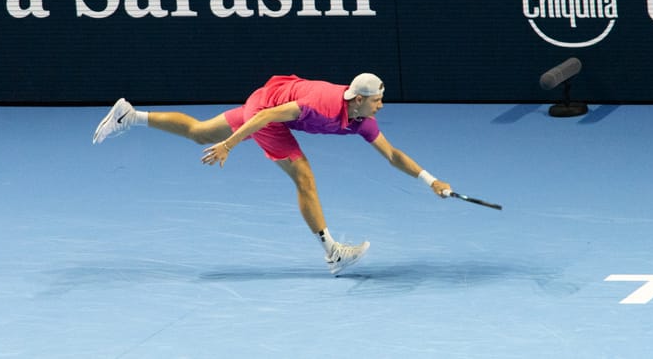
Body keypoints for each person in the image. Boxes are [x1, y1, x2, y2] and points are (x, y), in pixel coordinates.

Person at [92, 73, 452, 275]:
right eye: (377, 100)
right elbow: (264, 118)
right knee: (304, 177)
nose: (381, 106)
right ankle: (332, 252)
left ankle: (131, 115)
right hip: (266, 111)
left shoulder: (360, 120)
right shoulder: (322, 106)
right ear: (358, 99)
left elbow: (392, 155)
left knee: (200, 131)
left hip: (264, 100)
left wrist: (430, 180)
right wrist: (230, 146)